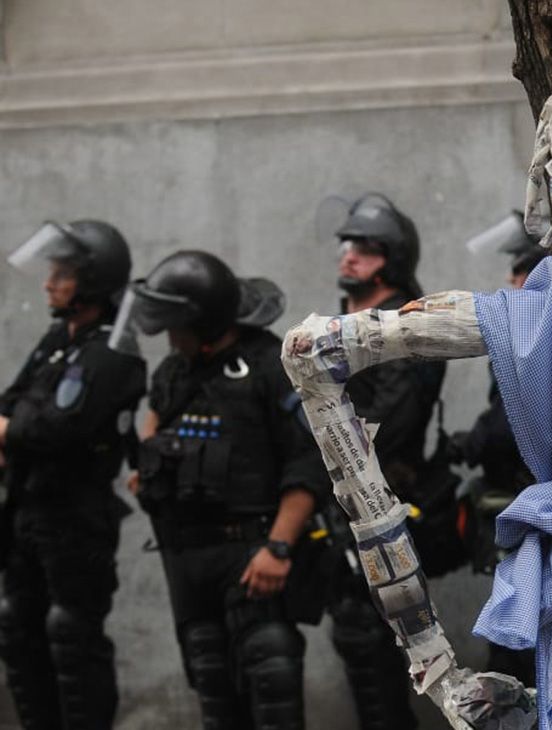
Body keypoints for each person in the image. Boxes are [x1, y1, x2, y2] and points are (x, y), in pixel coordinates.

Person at [124, 250, 327, 729]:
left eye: (178, 326)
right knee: (214, 689)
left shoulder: (269, 365)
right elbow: (151, 434)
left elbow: (308, 460)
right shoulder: (175, 370)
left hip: (252, 554)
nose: (171, 338)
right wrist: (150, 469)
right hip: (188, 557)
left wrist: (278, 547)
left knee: (270, 678)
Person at [0, 220, 145, 730]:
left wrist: (9, 431)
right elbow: (14, 404)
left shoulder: (111, 352)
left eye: (61, 274)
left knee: (72, 636)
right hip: (27, 511)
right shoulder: (57, 339)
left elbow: (58, 426)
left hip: (74, 517)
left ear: (91, 283)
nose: (48, 283)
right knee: (17, 628)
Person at [326, 193, 444, 730]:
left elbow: (385, 424)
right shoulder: (337, 325)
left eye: (366, 250)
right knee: (354, 644)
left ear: (391, 261)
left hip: (385, 507)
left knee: (376, 642)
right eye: (348, 246)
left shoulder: (404, 327)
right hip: (337, 510)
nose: (349, 257)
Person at [450, 221, 544, 685]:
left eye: (521, 270)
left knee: (516, 653)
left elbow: (507, 423)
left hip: (535, 517)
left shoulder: (536, 336)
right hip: (529, 512)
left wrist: (473, 443)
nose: (511, 280)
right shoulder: (527, 330)